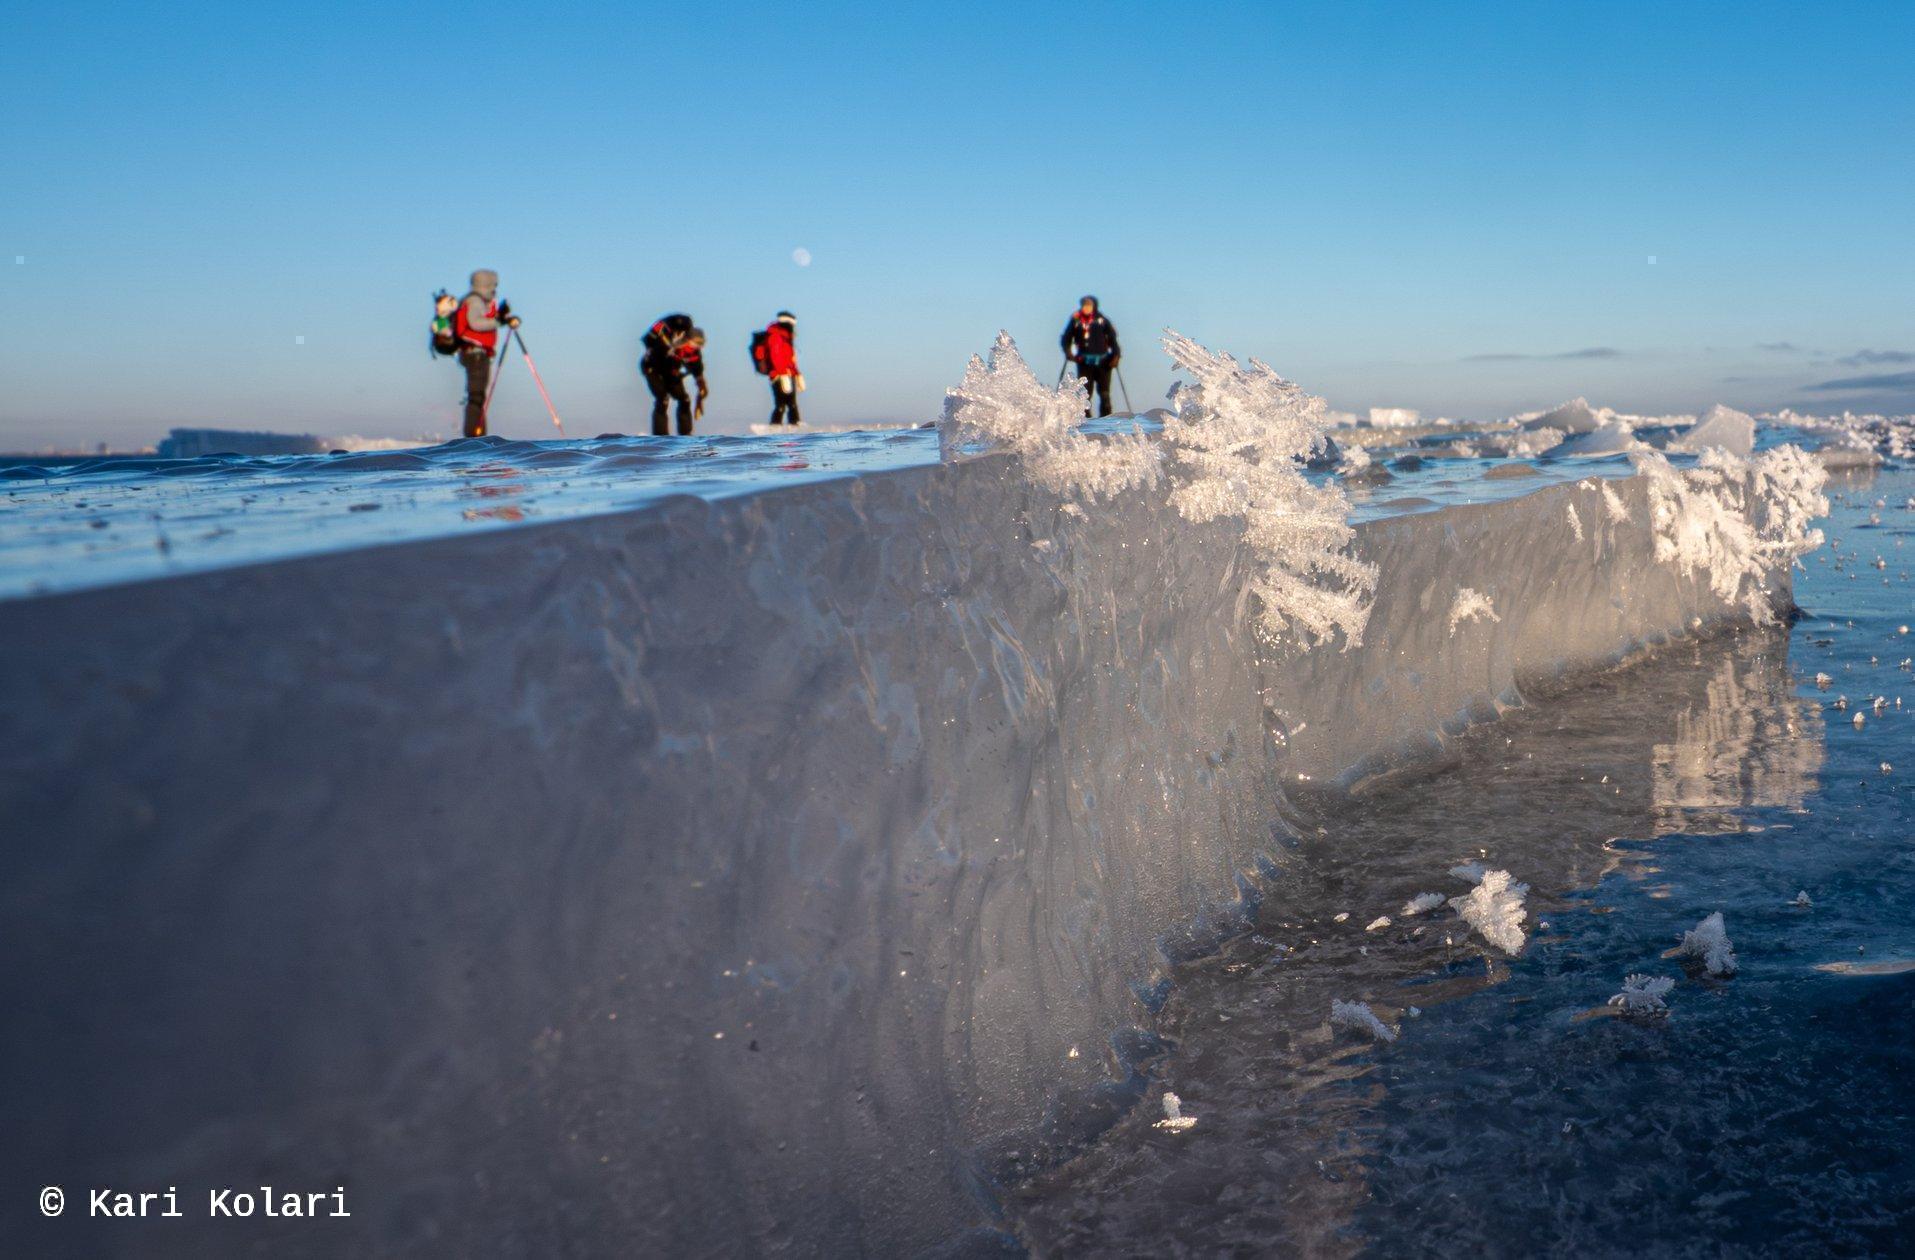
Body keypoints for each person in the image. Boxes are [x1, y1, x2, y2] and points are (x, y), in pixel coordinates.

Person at [454, 270, 519, 438]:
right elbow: (475, 323)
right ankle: (474, 438)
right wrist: (498, 321)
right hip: (476, 354)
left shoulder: (476, 300)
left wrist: (501, 318)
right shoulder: (475, 301)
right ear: (487, 284)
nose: (494, 288)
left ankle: (477, 435)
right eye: (493, 285)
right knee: (476, 396)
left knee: (478, 396)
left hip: (474, 354)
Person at [641, 314, 707, 436]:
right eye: (692, 344)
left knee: (685, 400)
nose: (693, 348)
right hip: (653, 370)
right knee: (663, 399)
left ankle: (686, 436)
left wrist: (700, 382)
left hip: (671, 372)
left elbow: (696, 367)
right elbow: (649, 338)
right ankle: (660, 437)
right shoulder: (666, 339)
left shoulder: (692, 352)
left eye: (697, 346)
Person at [1060, 295, 1121, 418]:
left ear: (1094, 306)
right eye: (1084, 305)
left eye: (1088, 305)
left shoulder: (1102, 320)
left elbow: (1112, 339)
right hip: (1084, 363)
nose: (1086, 307)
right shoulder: (1076, 321)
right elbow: (1066, 338)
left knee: (1104, 394)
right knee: (1084, 395)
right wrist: (1068, 351)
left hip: (1104, 363)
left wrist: (1116, 355)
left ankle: (1106, 421)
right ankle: (1086, 422)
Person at [764, 311, 803, 427]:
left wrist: (797, 374)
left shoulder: (786, 337)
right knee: (781, 404)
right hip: (778, 375)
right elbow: (775, 356)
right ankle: (775, 427)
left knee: (792, 403)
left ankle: (795, 425)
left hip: (789, 374)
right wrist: (782, 373)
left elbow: (790, 359)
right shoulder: (776, 336)